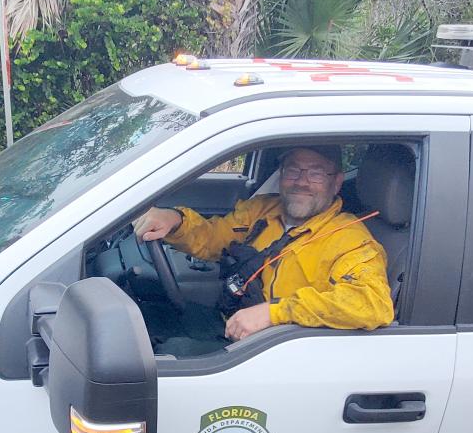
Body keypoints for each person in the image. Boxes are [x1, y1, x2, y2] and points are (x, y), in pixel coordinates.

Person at [133, 145, 393, 348]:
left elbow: (372, 303)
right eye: (293, 170)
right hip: (227, 322)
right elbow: (213, 238)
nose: (301, 182)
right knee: (143, 320)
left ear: (336, 182)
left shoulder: (351, 240)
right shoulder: (263, 209)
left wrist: (275, 313)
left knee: (165, 357)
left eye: (315, 173)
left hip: (268, 350)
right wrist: (175, 220)